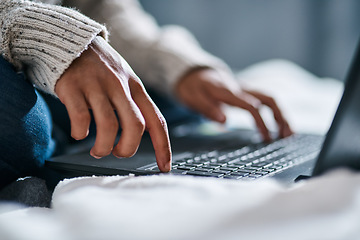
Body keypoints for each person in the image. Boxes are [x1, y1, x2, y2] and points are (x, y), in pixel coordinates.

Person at [0, 0, 292, 191]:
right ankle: (56, 141)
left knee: (177, 100)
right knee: (24, 126)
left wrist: (184, 68)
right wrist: (54, 38)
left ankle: (64, 139)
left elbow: (103, 8)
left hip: (44, 49)